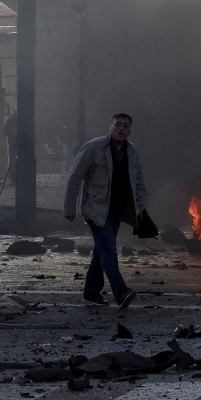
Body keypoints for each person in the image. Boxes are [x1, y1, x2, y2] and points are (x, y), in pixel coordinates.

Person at [63, 113, 147, 308]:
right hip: (95, 209)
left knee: (101, 250)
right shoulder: (93, 148)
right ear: (110, 127)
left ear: (130, 130)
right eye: (117, 124)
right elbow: (74, 177)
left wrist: (141, 207)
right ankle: (121, 292)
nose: (121, 128)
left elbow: (139, 181)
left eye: (125, 126)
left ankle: (91, 293)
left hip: (117, 211)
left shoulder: (132, 152)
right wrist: (69, 208)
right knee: (109, 248)